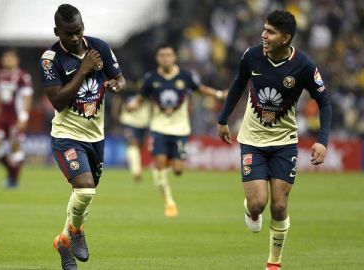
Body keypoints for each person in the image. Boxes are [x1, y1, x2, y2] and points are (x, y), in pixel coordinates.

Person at [217, 10, 332, 270]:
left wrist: (322, 140)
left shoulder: (304, 65)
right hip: (252, 140)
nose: (263, 35)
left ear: (286, 38)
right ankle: (251, 209)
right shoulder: (252, 55)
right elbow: (238, 83)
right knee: (258, 202)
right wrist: (223, 118)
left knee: (279, 206)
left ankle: (274, 263)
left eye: (270, 32)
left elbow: (324, 101)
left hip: (284, 142)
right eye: (264, 29)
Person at [39, 4, 125, 270]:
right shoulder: (50, 59)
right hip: (66, 135)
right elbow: (58, 101)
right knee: (85, 188)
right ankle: (77, 233)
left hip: (95, 137)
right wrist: (84, 70)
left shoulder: (100, 46)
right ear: (57, 32)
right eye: (68, 34)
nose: (75, 38)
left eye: (78, 31)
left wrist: (115, 85)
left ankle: (64, 241)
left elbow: (121, 79)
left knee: (83, 193)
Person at [129, 44, 227, 217]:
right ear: (157, 58)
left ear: (174, 57)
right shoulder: (151, 78)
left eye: (168, 55)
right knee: (158, 164)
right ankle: (169, 201)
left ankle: (166, 163)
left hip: (180, 129)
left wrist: (218, 95)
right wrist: (133, 105)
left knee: (178, 170)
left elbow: (201, 89)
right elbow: (141, 98)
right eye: (162, 55)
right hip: (158, 127)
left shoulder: (185, 76)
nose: (165, 58)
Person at [0, 49, 33, 188]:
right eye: (5, 57)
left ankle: (13, 180)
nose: (7, 60)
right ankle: (12, 173)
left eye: (10, 58)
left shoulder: (22, 76)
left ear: (16, 60)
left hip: (15, 118)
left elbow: (27, 97)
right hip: (1, 118)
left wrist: (24, 117)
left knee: (15, 147)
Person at [112, 80, 151, 182]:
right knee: (133, 144)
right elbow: (117, 102)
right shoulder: (126, 93)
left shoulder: (147, 93)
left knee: (139, 147)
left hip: (143, 124)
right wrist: (117, 118)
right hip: (129, 122)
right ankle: (136, 171)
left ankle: (136, 167)